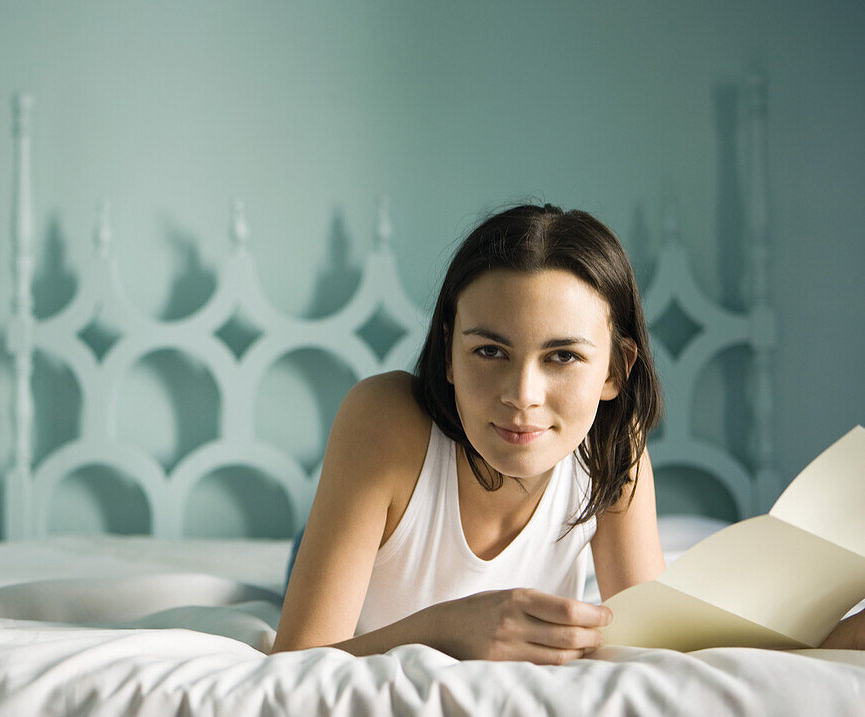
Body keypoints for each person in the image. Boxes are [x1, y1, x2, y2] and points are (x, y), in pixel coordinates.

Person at [271, 203, 865, 663]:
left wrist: (827, 640)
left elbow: (656, 639)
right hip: (372, 522)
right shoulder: (384, 416)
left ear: (615, 370)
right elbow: (297, 659)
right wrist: (449, 627)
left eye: (562, 357)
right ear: (448, 353)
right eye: (488, 350)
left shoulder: (613, 446)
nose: (521, 394)